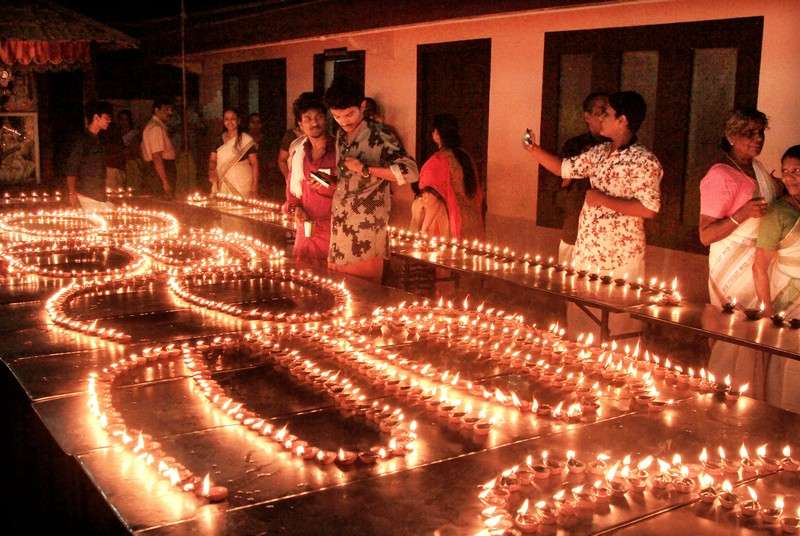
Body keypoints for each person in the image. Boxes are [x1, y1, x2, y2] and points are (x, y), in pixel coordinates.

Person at [523, 91, 662, 338]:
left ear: (623, 120)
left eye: (606, 113)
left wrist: (602, 200)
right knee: (583, 318)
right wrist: (533, 149)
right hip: (588, 251)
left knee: (618, 322)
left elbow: (649, 208)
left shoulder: (644, 160)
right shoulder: (599, 152)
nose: (601, 118)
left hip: (620, 255)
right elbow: (565, 168)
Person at [700, 108, 780, 397]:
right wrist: (742, 214)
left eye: (761, 132)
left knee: (755, 334)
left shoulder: (757, 169)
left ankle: (752, 395)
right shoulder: (720, 174)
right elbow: (705, 235)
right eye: (749, 133)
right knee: (734, 332)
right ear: (731, 136)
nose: (757, 139)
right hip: (732, 264)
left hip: (759, 263)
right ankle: (726, 394)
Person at [325, 76, 419, 282]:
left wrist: (366, 169)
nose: (344, 121)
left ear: (363, 106)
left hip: (366, 228)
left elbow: (411, 171)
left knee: (362, 293)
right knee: (339, 292)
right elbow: (348, 177)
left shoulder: (380, 134)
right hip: (340, 223)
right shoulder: (341, 135)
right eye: (337, 117)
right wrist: (329, 182)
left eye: (349, 114)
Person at [752, 145, 800, 412]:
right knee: (788, 364)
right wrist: (767, 311)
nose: (790, 177)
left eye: (797, 171)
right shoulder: (778, 213)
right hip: (789, 297)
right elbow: (760, 266)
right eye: (785, 172)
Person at [410, 113, 484, 240]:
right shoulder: (465, 157)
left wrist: (422, 232)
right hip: (473, 222)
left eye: (433, 131)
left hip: (449, 224)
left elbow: (432, 200)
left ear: (437, 134)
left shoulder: (438, 161)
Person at [284, 93, 337, 267]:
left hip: (333, 230)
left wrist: (330, 184)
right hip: (305, 230)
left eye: (318, 117)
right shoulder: (299, 152)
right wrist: (297, 208)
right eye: (307, 118)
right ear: (300, 124)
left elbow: (351, 189)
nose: (314, 123)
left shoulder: (339, 151)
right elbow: (293, 191)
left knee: (334, 285)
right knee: (304, 281)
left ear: (326, 119)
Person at [557, 92, 609, 264]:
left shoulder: (618, 147)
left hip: (607, 228)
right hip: (576, 219)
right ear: (587, 116)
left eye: (607, 111)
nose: (604, 116)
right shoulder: (574, 145)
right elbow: (563, 179)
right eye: (599, 111)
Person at [65, 100, 113, 209]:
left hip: (99, 195)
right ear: (96, 117)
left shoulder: (98, 139)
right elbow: (71, 168)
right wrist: (72, 194)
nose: (109, 121)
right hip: (87, 195)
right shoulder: (82, 140)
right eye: (106, 118)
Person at [208, 108, 259, 198]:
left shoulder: (246, 140)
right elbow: (212, 159)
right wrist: (212, 170)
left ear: (238, 121)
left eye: (233, 119)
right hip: (224, 181)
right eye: (226, 119)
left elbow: (254, 164)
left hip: (243, 182)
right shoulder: (218, 139)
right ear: (223, 121)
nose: (229, 122)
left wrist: (254, 186)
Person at [141, 97, 177, 199]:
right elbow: (156, 156)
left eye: (171, 110)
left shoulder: (156, 126)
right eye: (166, 109)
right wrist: (164, 181)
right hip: (161, 170)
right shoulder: (155, 128)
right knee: (164, 203)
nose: (169, 113)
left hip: (159, 169)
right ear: (156, 110)